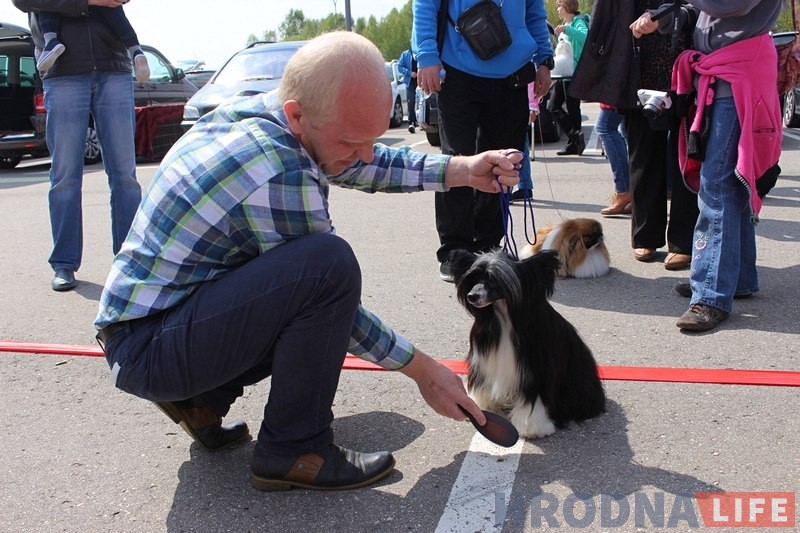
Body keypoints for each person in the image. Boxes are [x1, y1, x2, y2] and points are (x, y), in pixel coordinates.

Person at [93, 32, 522, 492]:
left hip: (148, 329)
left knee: (292, 279)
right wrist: (425, 372)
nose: (364, 153)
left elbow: (357, 160)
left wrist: (461, 170)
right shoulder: (276, 168)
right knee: (326, 267)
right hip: (152, 349)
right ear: (298, 115)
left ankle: (200, 400)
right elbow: (330, 304)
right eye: (351, 140)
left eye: (371, 138)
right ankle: (294, 448)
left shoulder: (262, 114)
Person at [632, 0, 782, 331]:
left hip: (737, 76)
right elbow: (702, 10)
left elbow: (729, 5)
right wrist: (662, 17)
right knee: (732, 182)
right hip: (724, 75)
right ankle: (734, 277)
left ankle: (712, 293)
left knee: (716, 186)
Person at [412, 0, 554, 282]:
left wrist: (544, 59)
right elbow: (425, 5)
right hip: (458, 72)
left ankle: (488, 244)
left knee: (503, 163)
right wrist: (426, 55)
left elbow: (535, 13)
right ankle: (455, 250)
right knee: (456, 161)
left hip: (512, 74)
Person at [14, 0, 143, 292]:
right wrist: (87, 2)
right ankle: (64, 262)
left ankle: (131, 262)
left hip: (114, 67)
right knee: (65, 177)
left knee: (125, 176)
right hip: (62, 71)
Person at [568, 0, 699, 271]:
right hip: (637, 68)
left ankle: (683, 242)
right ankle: (645, 236)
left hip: (685, 64)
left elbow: (702, 9)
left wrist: (666, 17)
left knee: (686, 157)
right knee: (642, 156)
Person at [35, 6, 150, 82]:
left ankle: (51, 40)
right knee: (112, 7)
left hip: (70, 65)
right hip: (112, 61)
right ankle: (135, 50)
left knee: (48, 4)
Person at [550, 0, 589, 156]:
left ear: (567, 6)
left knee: (571, 108)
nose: (558, 9)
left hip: (574, 73)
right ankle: (575, 138)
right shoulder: (565, 24)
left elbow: (586, 36)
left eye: (560, 6)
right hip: (563, 73)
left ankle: (574, 142)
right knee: (554, 106)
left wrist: (568, 29)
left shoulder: (578, 22)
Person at [595, 104, 631, 215]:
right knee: (627, 131)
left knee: (605, 128)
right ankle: (632, 192)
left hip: (617, 96)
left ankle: (624, 190)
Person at [397, 48, 418, 133]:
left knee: (423, 102)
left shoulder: (421, 52)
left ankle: (423, 121)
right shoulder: (405, 54)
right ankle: (411, 123)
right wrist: (409, 73)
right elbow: (399, 67)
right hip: (410, 83)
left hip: (422, 81)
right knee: (411, 102)